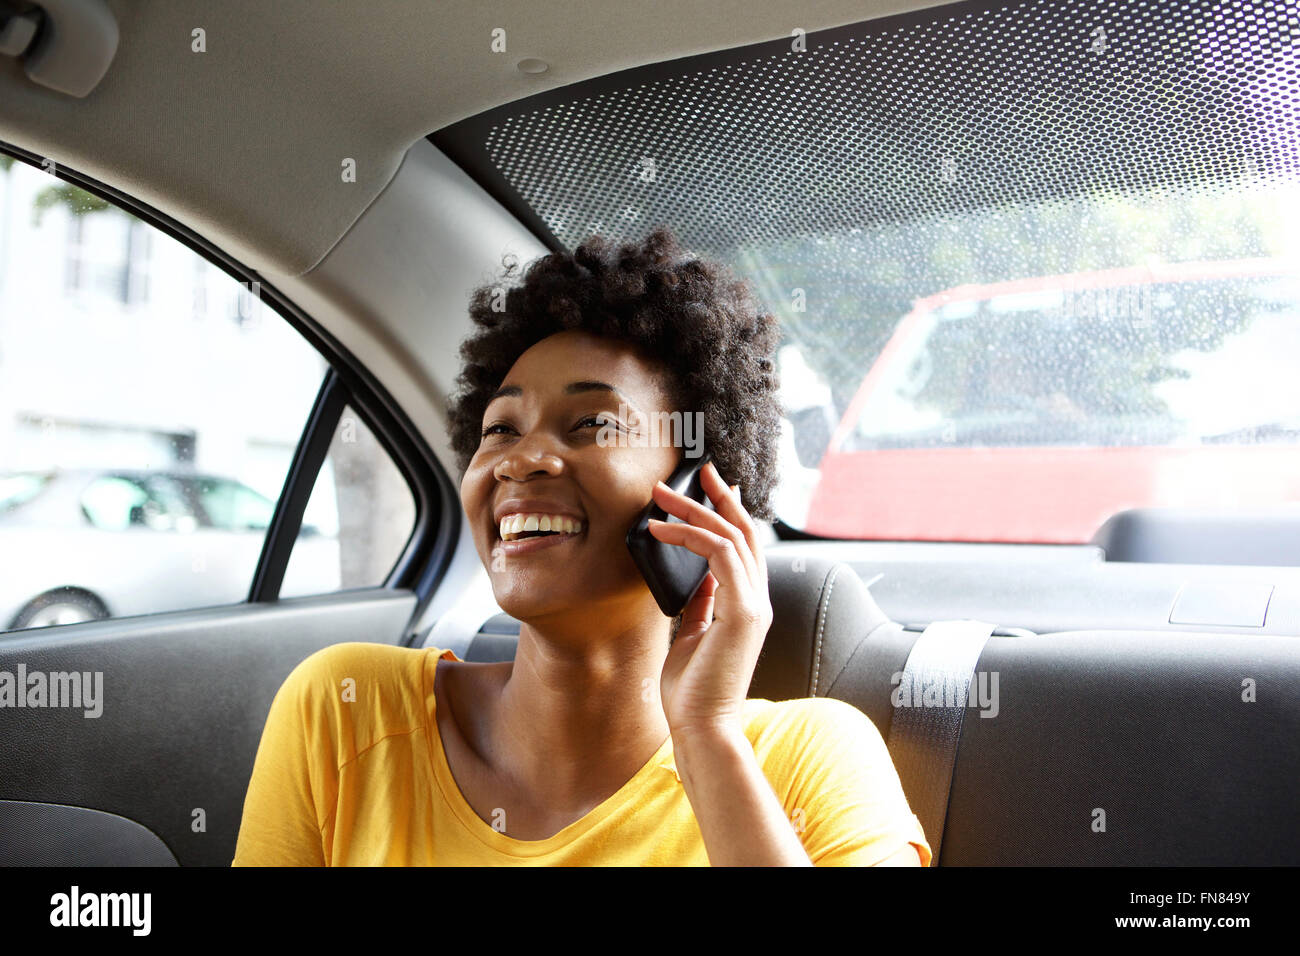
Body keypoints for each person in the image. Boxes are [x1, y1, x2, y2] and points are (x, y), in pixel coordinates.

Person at [232, 225, 932, 866]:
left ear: (699, 489)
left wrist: (709, 741)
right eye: (500, 429)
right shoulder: (345, 709)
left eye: (593, 424)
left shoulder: (811, 760)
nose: (519, 459)